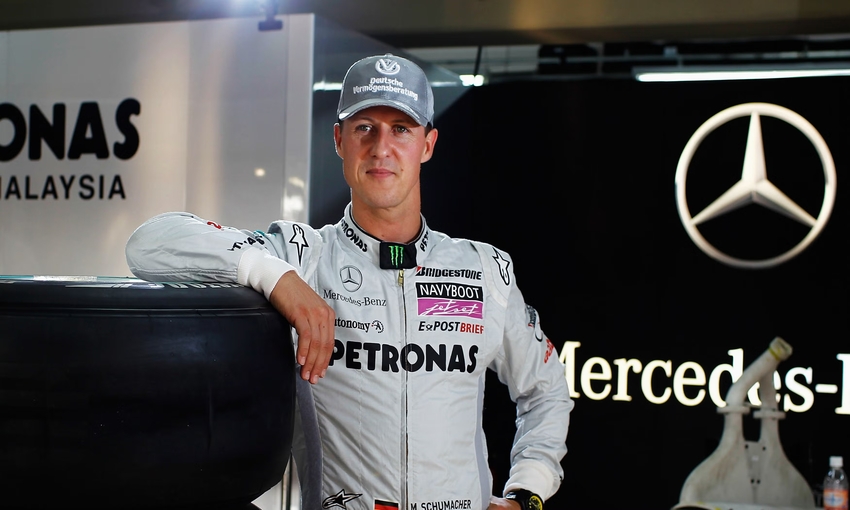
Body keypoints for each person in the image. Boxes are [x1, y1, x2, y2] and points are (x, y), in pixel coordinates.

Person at [126, 54, 573, 510]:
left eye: (401, 129)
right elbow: (150, 243)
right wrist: (277, 278)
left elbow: (546, 389)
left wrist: (528, 491)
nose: (381, 148)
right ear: (339, 140)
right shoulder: (302, 256)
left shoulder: (483, 269)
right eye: (365, 128)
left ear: (428, 144)